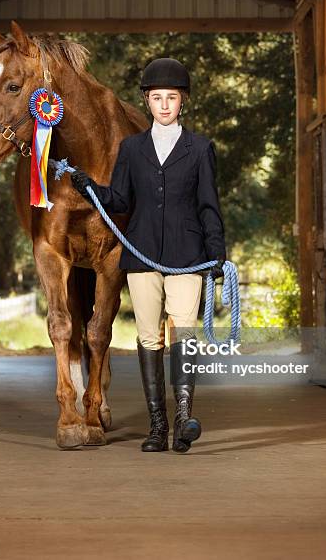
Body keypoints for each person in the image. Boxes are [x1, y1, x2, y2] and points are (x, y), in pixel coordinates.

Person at [71, 58, 227, 453]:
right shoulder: (132, 149)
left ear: (182, 102)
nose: (163, 105)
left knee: (184, 331)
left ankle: (184, 418)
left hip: (187, 254)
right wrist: (90, 187)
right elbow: (120, 199)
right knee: (146, 337)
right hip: (141, 255)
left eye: (171, 98)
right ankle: (157, 426)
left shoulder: (201, 149)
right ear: (147, 100)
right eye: (156, 98)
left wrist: (217, 255)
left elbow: (209, 205)